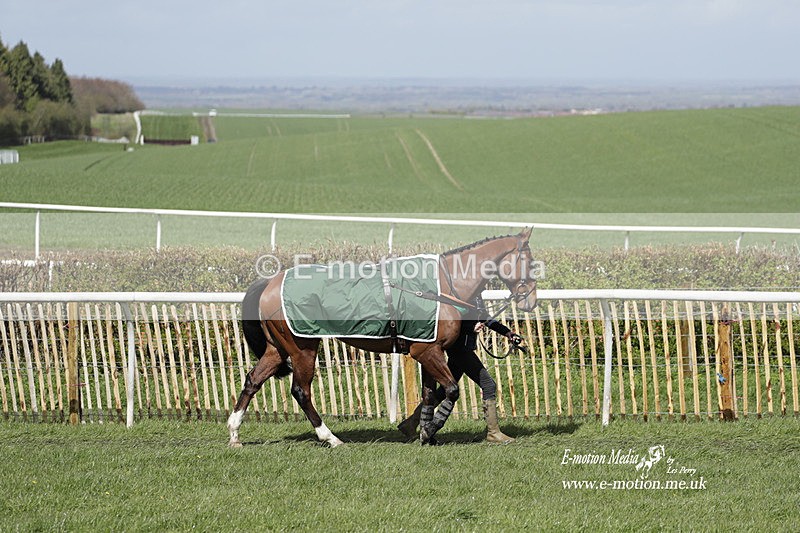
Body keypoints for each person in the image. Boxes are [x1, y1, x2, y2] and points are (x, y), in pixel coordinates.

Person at [398, 297, 524, 444]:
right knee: (488, 385)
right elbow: (452, 321)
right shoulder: (459, 295)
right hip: (460, 351)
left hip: (462, 349)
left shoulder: (475, 296)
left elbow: (485, 318)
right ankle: (493, 433)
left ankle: (411, 423)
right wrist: (471, 327)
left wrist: (507, 333)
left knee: (442, 391)